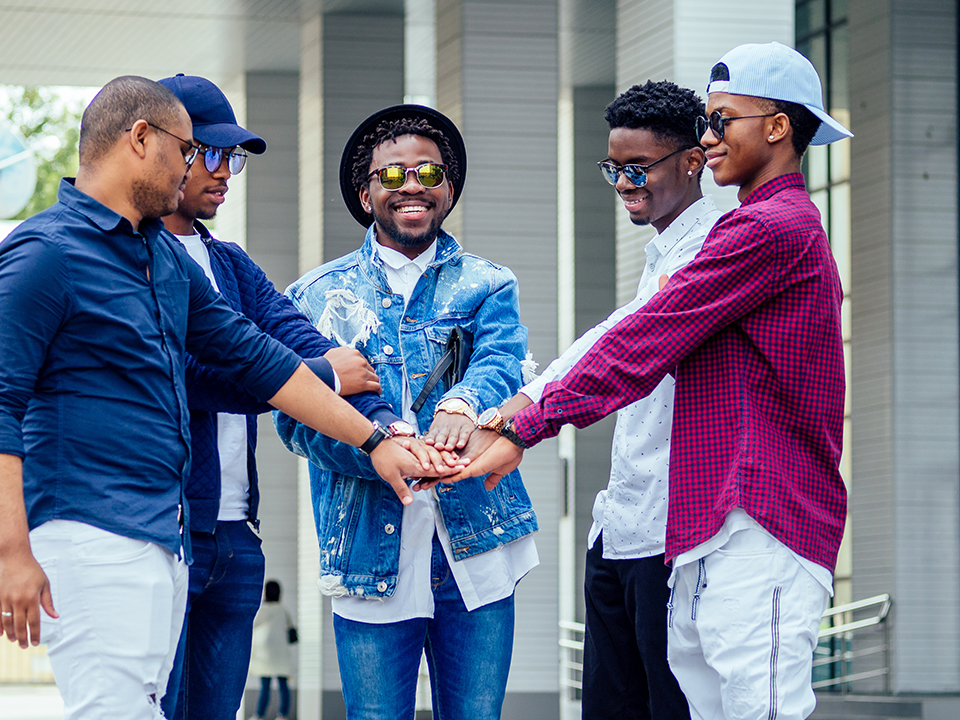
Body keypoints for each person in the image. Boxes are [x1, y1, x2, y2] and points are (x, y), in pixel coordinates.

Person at [0, 76, 451, 720]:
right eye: (189, 149)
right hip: (87, 532)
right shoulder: (42, 253)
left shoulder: (163, 259)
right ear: (142, 139)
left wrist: (377, 439)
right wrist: (13, 551)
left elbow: (259, 358)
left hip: (165, 542)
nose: (198, 167)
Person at [450, 42, 852, 720]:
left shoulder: (773, 230)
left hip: (764, 524)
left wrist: (527, 421)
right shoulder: (751, 230)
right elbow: (634, 332)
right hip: (714, 531)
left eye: (723, 121)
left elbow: (644, 339)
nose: (708, 135)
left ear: (779, 127)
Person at [275, 104, 539, 720]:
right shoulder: (314, 297)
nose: (412, 185)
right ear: (366, 194)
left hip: (478, 543)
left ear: (448, 189)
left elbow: (502, 357)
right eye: (392, 176)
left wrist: (462, 403)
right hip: (368, 547)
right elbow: (295, 419)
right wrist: (382, 453)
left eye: (429, 172)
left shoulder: (490, 283)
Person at [154, 74, 405, 720]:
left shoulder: (231, 263)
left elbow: (309, 342)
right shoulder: (140, 261)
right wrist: (314, 378)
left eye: (232, 158)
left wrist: (382, 427)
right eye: (212, 153)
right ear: (168, 150)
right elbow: (196, 377)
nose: (225, 172)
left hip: (238, 539)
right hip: (171, 529)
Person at [483, 79, 713, 719]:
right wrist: (517, 402)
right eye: (613, 167)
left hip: (675, 532)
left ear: (693, 160)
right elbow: (610, 335)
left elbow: (623, 349)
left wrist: (523, 417)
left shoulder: (713, 248)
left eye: (638, 168)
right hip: (622, 528)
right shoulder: (663, 249)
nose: (622, 183)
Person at [249, 580, 294, 720]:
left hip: (265, 654)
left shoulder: (262, 610)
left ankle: (259, 715)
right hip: (281, 654)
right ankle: (282, 715)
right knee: (283, 685)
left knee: (265, 686)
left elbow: (252, 623)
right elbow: (291, 628)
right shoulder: (283, 610)